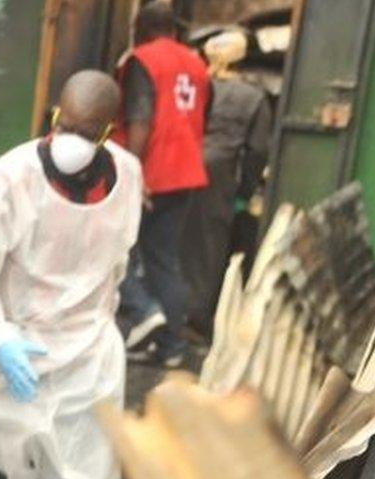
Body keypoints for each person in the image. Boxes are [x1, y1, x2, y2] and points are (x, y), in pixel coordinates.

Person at [0, 70, 142, 479]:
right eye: (64, 124)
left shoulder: (127, 175)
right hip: (22, 350)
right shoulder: (10, 179)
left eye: (85, 131)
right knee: (16, 477)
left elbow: (118, 261)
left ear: (108, 132)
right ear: (54, 114)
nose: (70, 139)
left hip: (89, 357)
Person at [114, 1, 211, 366]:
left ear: (141, 26)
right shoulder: (197, 63)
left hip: (152, 173)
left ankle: (142, 310)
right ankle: (171, 348)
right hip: (187, 171)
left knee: (113, 246)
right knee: (164, 260)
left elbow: (140, 117)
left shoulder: (142, 59)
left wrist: (134, 175)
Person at [181, 30, 272, 340]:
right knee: (208, 247)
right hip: (218, 175)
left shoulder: (192, 85)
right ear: (241, 57)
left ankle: (160, 312)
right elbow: (258, 149)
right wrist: (245, 189)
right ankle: (195, 321)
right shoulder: (252, 96)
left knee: (172, 239)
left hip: (180, 163)